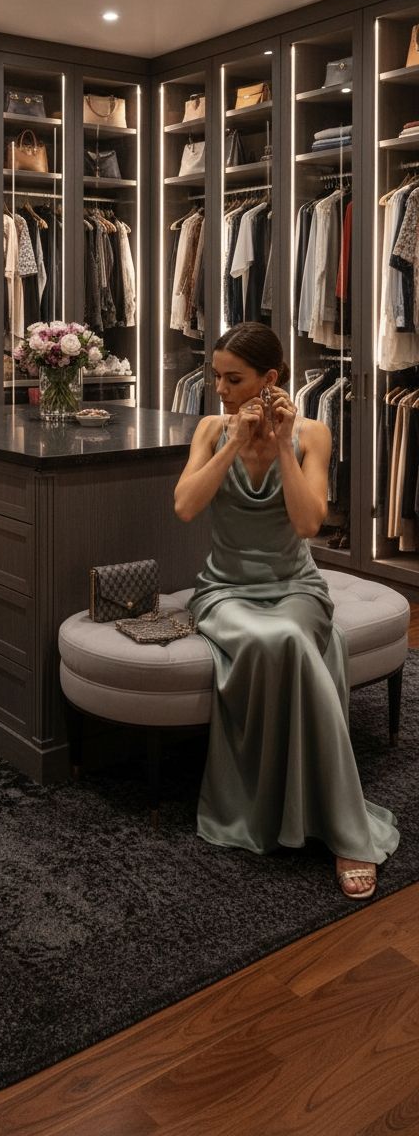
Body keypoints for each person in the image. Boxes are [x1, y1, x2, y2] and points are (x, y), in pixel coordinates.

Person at [174, 321, 399, 899]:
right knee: (287, 643)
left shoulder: (313, 434)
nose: (220, 389)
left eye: (233, 379)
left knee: (294, 637)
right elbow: (185, 507)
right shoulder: (209, 428)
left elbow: (307, 523)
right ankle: (329, 818)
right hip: (225, 591)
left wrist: (279, 445)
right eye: (215, 377)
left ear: (269, 379)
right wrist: (232, 443)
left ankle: (347, 830)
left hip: (296, 588)